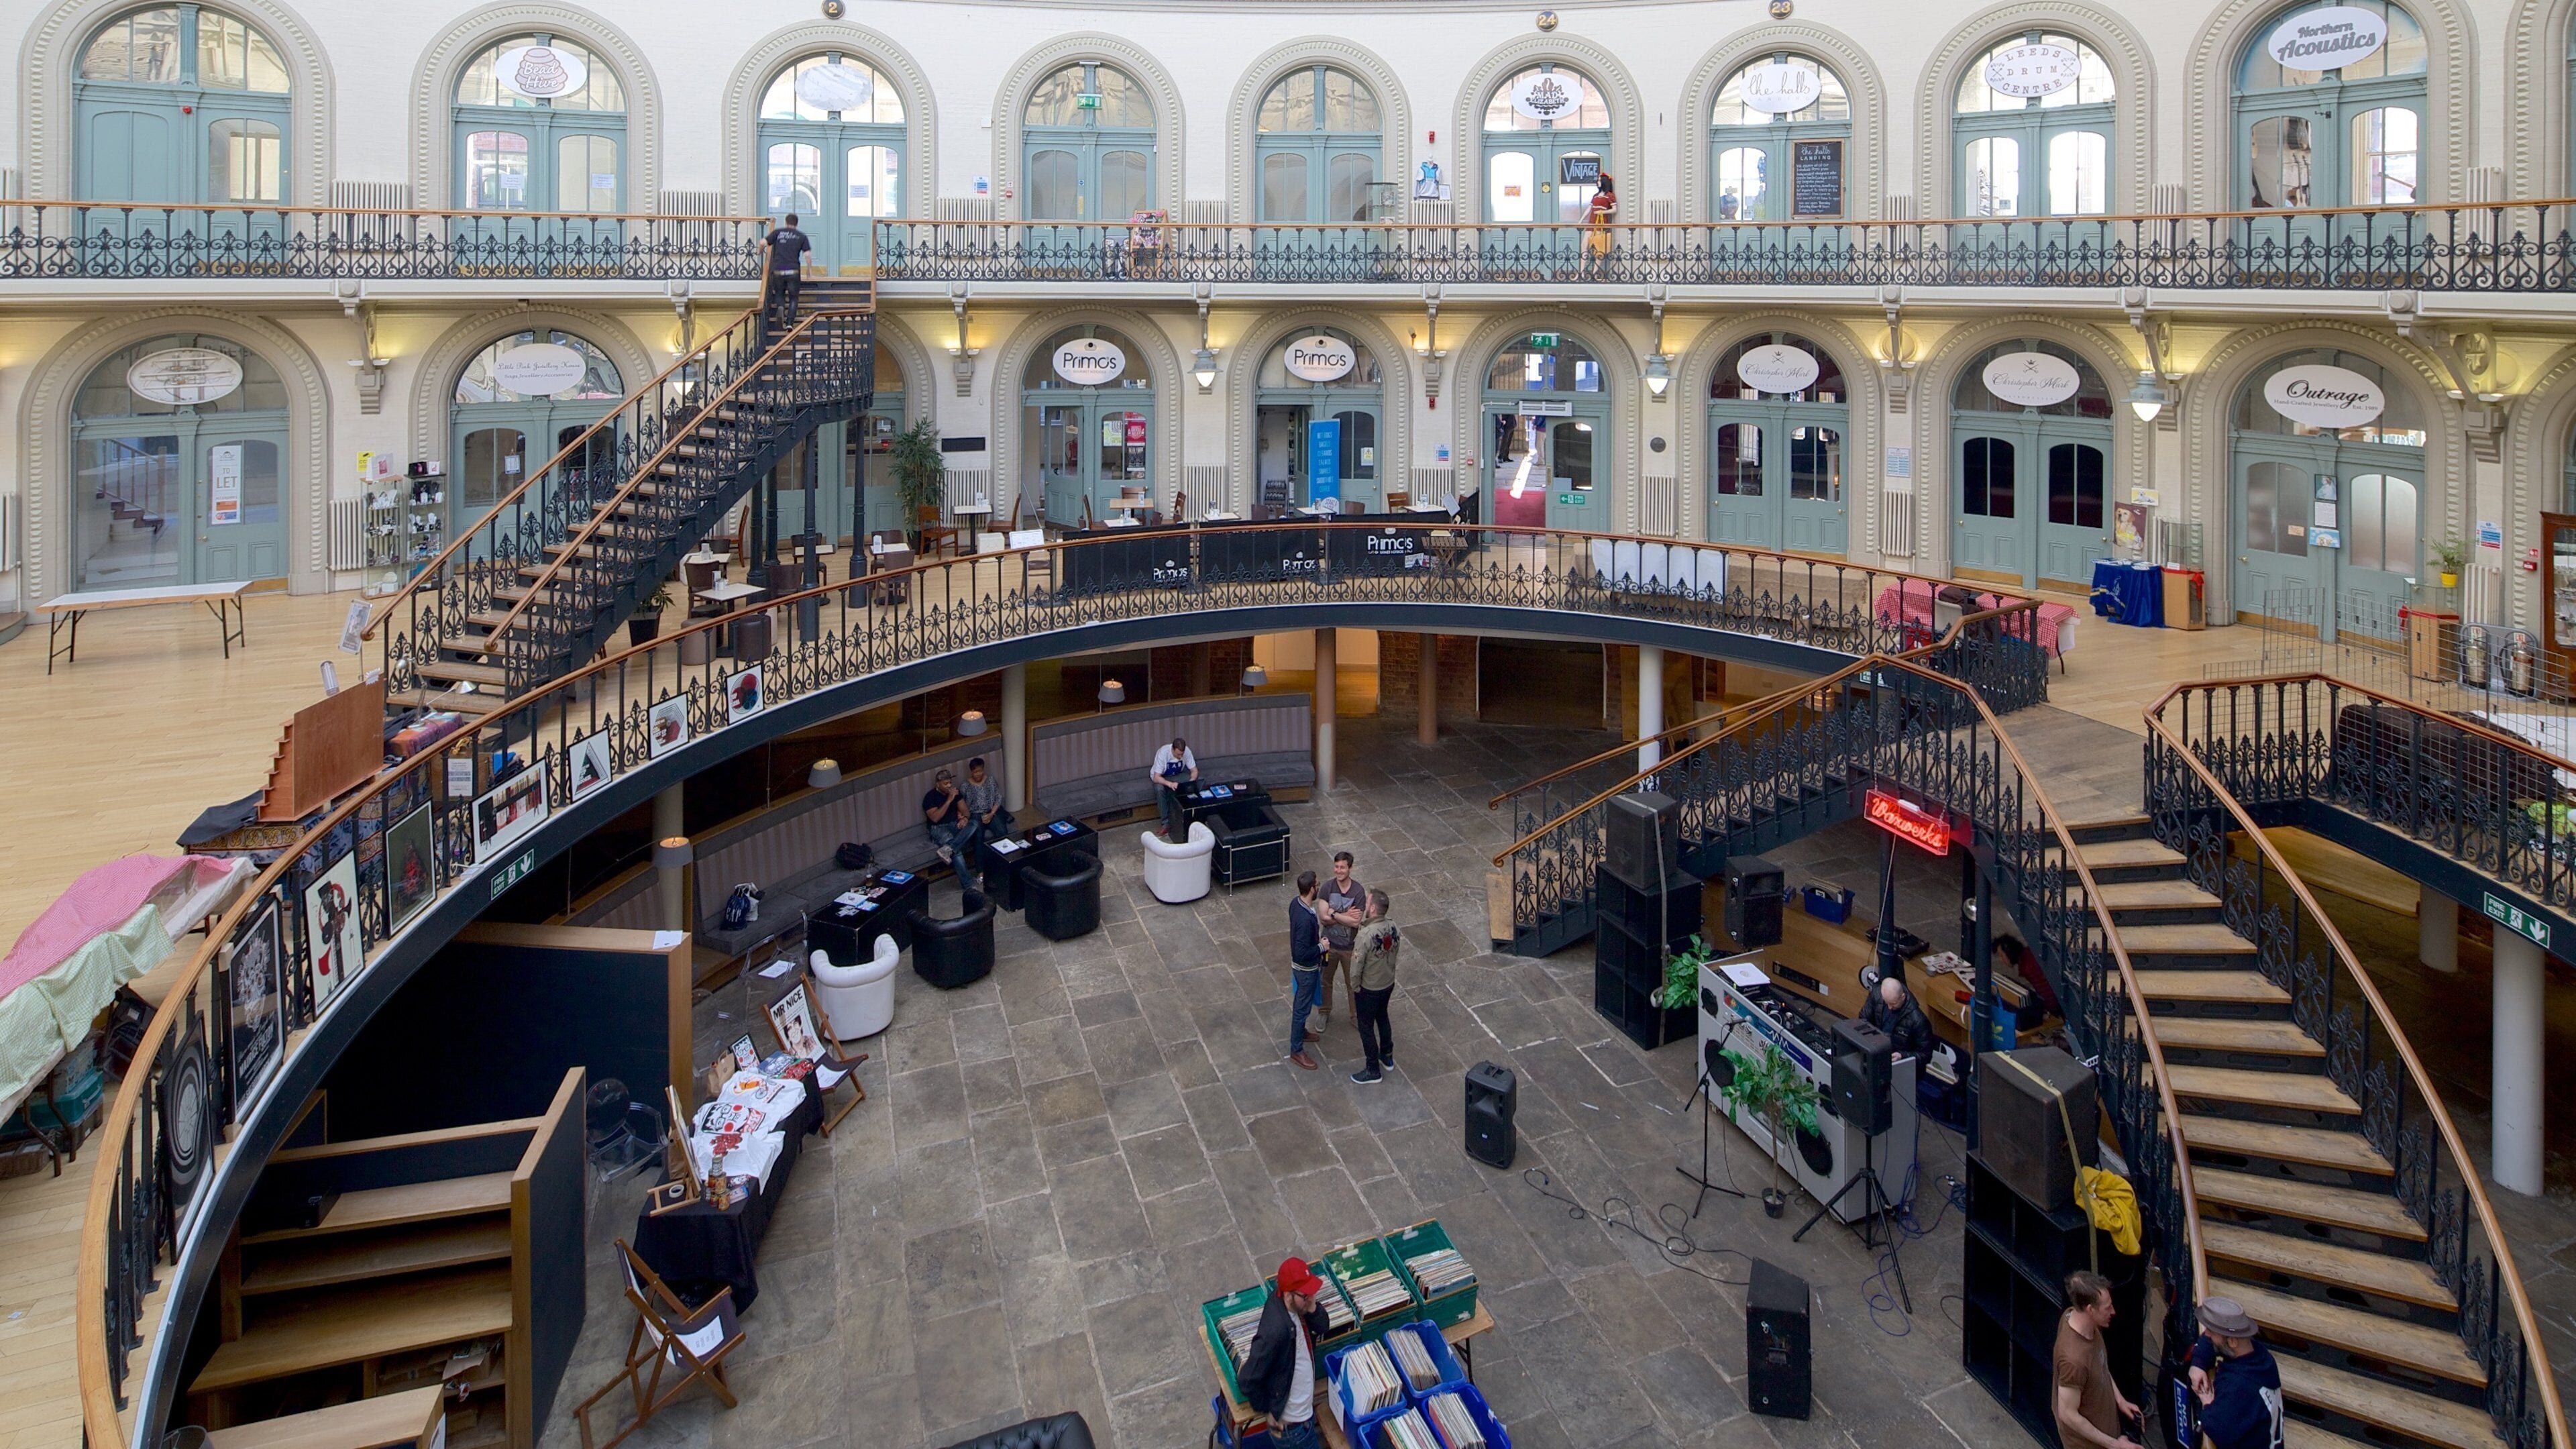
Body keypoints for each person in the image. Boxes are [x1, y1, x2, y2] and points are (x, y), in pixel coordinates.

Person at [1241, 1255, 1334, 1448]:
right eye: (1305, 1295)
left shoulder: (1300, 1306)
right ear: (1288, 1295)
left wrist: (1312, 1307)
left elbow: (1324, 1326)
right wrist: (1267, 1410)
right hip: (1293, 1428)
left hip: (1302, 1414)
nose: (1310, 1298)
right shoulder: (1275, 1332)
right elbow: (1248, 1379)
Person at [2053, 1271, 2140, 1449]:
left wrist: (2120, 1400)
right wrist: (2114, 1445)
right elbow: (2068, 1414)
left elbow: (2101, 1365)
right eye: (2107, 1308)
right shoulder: (2073, 1361)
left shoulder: (2077, 1318)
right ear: (2090, 1310)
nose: (2113, 1311)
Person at [2189, 1297, 2284, 1449]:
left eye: (2212, 1332)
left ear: (2233, 1342)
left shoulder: (2239, 1386)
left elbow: (2219, 1430)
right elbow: (2210, 1342)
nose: (2206, 1334)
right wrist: (2198, 1364)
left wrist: (2208, 1404)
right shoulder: (2261, 1357)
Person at [1350, 889, 1399, 1084]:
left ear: (1372, 908)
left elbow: (1356, 967)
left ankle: (1372, 1069)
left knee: (1366, 1027)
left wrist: (1355, 987)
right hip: (1387, 982)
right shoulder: (1393, 927)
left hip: (1369, 988)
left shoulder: (1366, 934)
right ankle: (1386, 1054)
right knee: (1383, 1016)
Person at [1317, 852, 1365, 1030]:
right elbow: (1323, 917)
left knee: (1352, 983)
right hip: (1327, 946)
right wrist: (1344, 916)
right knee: (1325, 980)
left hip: (1349, 948)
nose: (1339, 871)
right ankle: (1324, 1012)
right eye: (1336, 867)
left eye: (1342, 867)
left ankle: (1355, 1016)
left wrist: (1334, 913)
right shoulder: (1327, 888)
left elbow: (1355, 921)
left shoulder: (1358, 891)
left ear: (1350, 868)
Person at [1286, 871, 1326, 1070]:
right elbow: (1302, 952)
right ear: (1311, 889)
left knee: (1303, 1004)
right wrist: (1321, 947)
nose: (1318, 887)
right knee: (1301, 1009)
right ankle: (1296, 1050)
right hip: (1306, 970)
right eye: (1317, 885)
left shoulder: (1296, 903)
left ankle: (1301, 1032)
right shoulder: (1304, 919)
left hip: (1303, 968)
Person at [1862, 970, 1935, 1060]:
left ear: (1903, 997)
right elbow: (1862, 1021)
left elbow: (1925, 1055)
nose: (1890, 1008)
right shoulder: (1876, 995)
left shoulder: (1918, 1021)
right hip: (1874, 1051)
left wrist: (1902, 1056)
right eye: (1886, 1002)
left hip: (1899, 1064)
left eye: (1894, 1003)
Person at [764, 214, 811, 328]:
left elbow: (762, 243)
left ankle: (780, 307)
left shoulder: (778, 233)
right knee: (794, 297)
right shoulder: (801, 236)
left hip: (778, 270)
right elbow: (807, 254)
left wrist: (760, 251)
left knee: (780, 293)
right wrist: (809, 269)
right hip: (793, 271)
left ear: (786, 222)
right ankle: (790, 323)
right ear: (797, 223)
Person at [921, 766, 974, 866]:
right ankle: (968, 882)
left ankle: (948, 849)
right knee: (956, 852)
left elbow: (966, 811)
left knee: (974, 823)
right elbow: (935, 818)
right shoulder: (930, 797)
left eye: (950, 782)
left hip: (954, 824)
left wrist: (965, 819)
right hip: (938, 828)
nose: (949, 785)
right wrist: (949, 800)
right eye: (946, 784)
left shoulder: (955, 792)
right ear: (938, 784)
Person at [1149, 734, 1198, 842]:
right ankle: (1165, 824)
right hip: (1161, 777)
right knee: (1159, 789)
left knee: (1193, 781)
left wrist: (1191, 782)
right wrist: (1170, 784)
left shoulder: (1187, 752)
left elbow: (1194, 771)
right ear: (1173, 749)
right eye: (1178, 754)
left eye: (1182, 754)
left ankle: (1190, 816)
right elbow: (1156, 777)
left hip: (1176, 776)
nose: (1180, 757)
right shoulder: (1164, 753)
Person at [959, 755, 1012, 849]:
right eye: (976, 772)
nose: (979, 774)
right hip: (975, 815)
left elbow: (998, 798)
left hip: (991, 811)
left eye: (980, 771)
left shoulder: (990, 780)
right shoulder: (965, 786)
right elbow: (961, 803)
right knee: (978, 839)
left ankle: (1005, 858)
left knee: (1002, 832)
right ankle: (981, 863)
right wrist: (963, 816)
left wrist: (992, 813)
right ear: (972, 772)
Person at [1583, 172, 1617, 272]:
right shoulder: (1595, 196)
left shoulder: (1610, 196)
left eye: (1599, 180)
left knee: (1599, 247)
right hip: (1591, 221)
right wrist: (1581, 220)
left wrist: (1603, 211)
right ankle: (1581, 272)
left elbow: (1614, 209)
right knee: (1584, 245)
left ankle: (1594, 272)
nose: (1597, 182)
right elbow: (1589, 209)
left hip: (1601, 222)